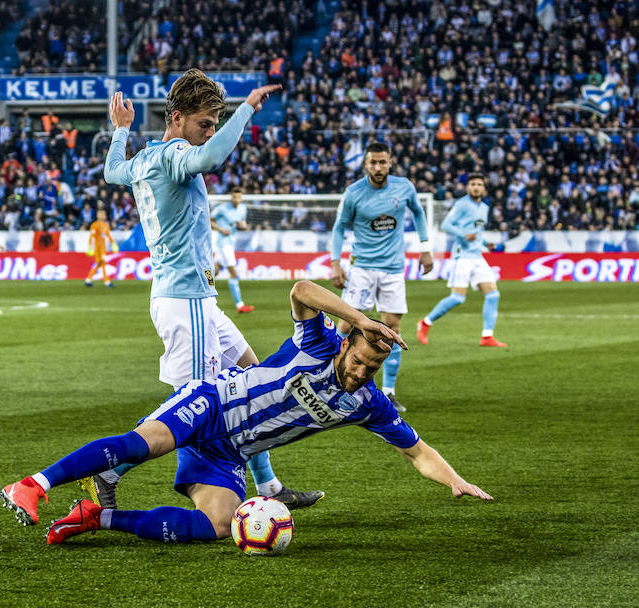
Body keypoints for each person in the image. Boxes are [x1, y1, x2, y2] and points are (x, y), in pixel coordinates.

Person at [0, 280, 493, 545]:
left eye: (373, 367)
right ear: (346, 345)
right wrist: (359, 317)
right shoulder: (319, 341)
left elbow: (417, 451)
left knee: (219, 525)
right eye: (360, 359)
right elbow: (300, 289)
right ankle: (33, 484)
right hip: (213, 403)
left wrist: (453, 480)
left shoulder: (368, 403)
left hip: (228, 450)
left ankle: (96, 518)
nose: (363, 371)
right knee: (146, 443)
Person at [99, 69, 322, 510]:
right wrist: (246, 109)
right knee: (193, 406)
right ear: (177, 118)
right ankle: (111, 469)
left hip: (193, 299)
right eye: (205, 123)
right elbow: (211, 159)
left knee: (251, 376)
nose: (210, 133)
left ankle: (271, 487)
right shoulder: (176, 154)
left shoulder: (146, 157)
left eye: (215, 125)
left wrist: (121, 132)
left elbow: (112, 172)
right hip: (185, 301)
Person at [329, 142, 433, 413]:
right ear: (366, 164)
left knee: (393, 329)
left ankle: (388, 392)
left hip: (393, 270)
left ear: (390, 162)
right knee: (345, 324)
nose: (377, 167)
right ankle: (330, 381)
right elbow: (339, 227)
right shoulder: (354, 193)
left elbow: (419, 213)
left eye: (382, 162)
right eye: (373, 162)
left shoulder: (404, 187)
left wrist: (425, 248)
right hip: (362, 268)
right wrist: (335, 263)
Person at [417, 174, 506, 347]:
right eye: (473, 184)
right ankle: (425, 322)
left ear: (484, 188)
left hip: (477, 256)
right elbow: (446, 225)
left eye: (479, 184)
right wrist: (463, 235)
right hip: (462, 256)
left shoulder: (484, 208)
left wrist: (486, 243)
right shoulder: (462, 204)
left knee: (493, 294)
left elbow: (477, 232)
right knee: (458, 298)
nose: (476, 187)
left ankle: (487, 336)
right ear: (467, 187)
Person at [211, 187, 254, 313]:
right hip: (222, 243)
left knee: (215, 270)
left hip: (230, 242)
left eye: (239, 197)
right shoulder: (222, 209)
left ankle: (199, 288)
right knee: (234, 273)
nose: (237, 199)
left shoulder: (242, 209)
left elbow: (241, 224)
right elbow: (210, 220)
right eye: (235, 197)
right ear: (231, 197)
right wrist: (220, 230)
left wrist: (243, 226)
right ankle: (240, 305)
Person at [85, 207, 118, 287]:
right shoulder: (94, 225)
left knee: (99, 264)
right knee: (102, 263)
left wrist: (113, 244)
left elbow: (108, 235)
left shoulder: (106, 225)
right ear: (97, 215)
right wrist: (89, 247)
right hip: (98, 248)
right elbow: (91, 237)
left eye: (104, 214)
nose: (103, 215)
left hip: (103, 248)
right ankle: (107, 282)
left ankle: (88, 279)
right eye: (101, 214)